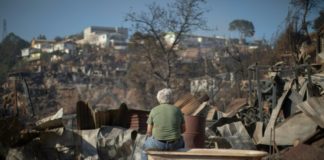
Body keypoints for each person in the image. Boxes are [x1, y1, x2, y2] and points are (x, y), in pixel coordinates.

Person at [141, 88, 185, 160]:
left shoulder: (154, 110)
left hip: (158, 144)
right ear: (171, 98)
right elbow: (183, 130)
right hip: (175, 144)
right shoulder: (177, 110)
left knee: (144, 148)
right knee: (182, 139)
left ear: (159, 99)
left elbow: (149, 132)